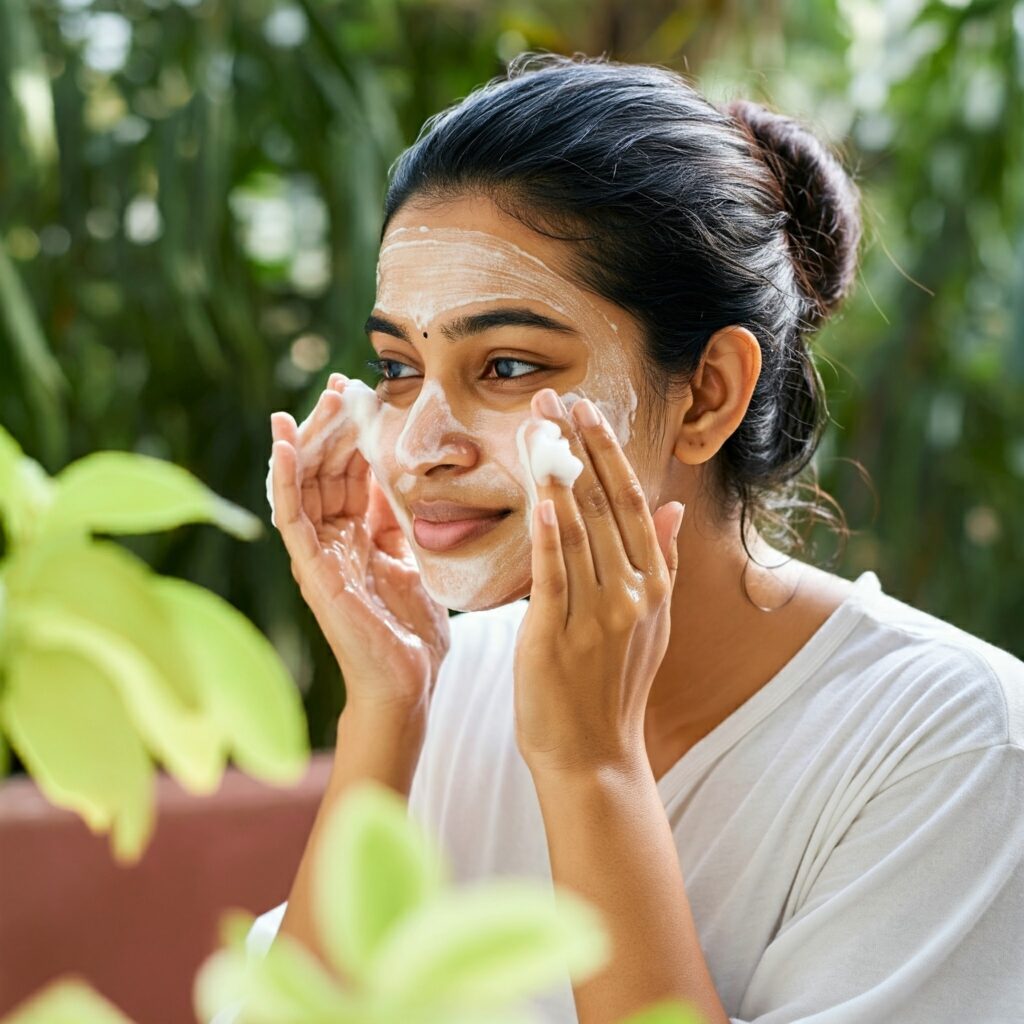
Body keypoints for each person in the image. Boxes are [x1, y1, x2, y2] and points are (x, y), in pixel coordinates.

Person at [221, 53, 1024, 1024]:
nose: (421, 446)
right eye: (396, 366)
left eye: (507, 364)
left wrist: (589, 764)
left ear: (708, 394)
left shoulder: (956, 744)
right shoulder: (445, 685)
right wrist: (386, 710)